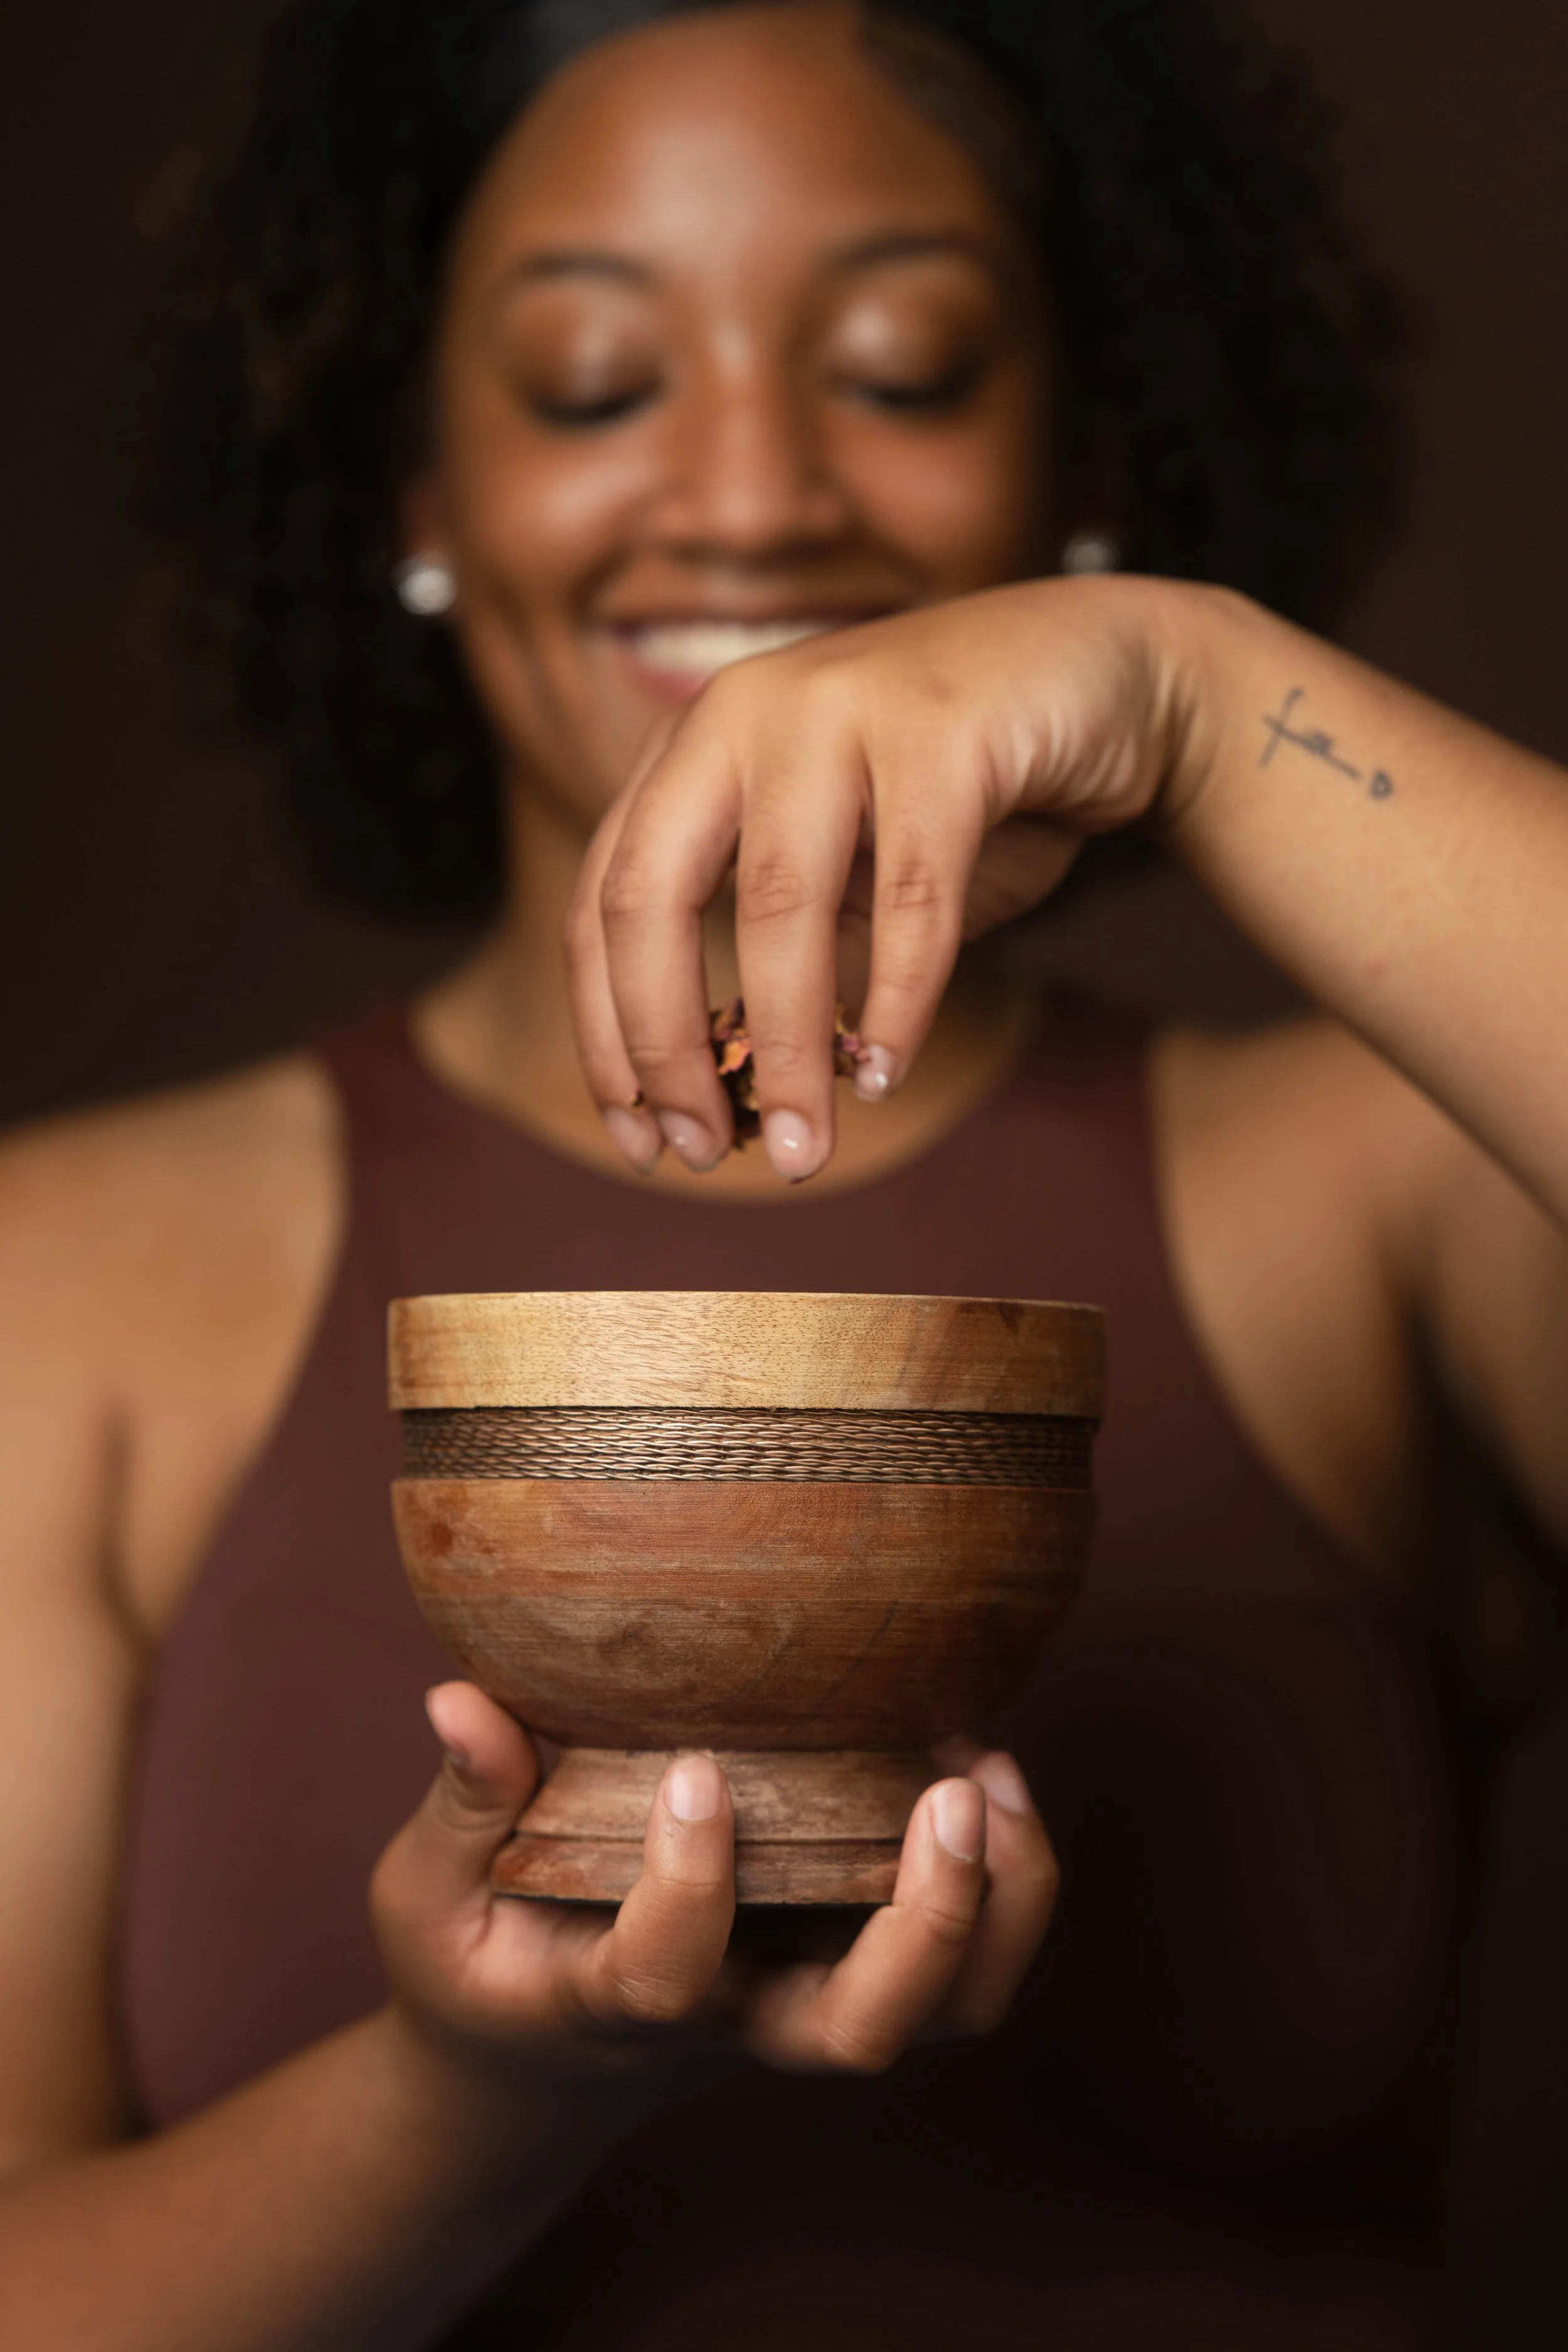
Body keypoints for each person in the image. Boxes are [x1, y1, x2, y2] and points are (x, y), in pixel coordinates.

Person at [0, 0, 1562, 2344]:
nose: (750, 492)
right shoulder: (66, 1274)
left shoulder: (1373, 1184)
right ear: (418, 492)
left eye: (905, 364)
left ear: (1084, 452)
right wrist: (477, 2091)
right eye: (593, 383)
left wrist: (1203, 704)